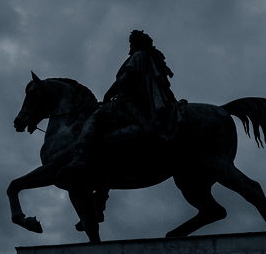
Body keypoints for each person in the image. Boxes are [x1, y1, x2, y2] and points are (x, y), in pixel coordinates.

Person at [55, 29, 183, 188]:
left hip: (131, 103)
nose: (130, 46)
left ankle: (79, 157)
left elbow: (125, 79)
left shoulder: (138, 56)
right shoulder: (150, 57)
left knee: (93, 118)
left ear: (136, 44)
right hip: (141, 102)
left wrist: (109, 93)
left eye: (131, 43)